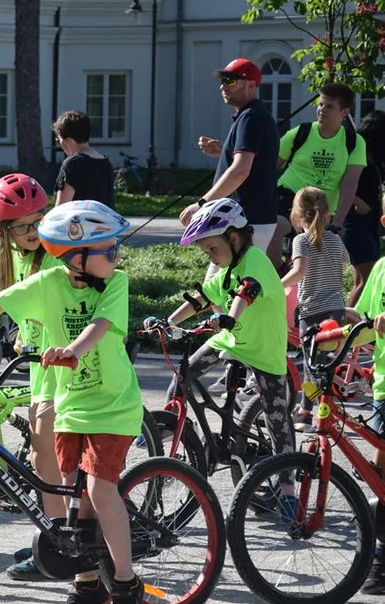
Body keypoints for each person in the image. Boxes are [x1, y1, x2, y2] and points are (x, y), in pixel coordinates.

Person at [0, 200, 144, 604]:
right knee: (77, 501)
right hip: (71, 406)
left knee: (100, 489)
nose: (116, 257)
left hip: (113, 404)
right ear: (76, 256)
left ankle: (127, 586)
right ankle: (89, 585)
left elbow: (101, 327)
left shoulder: (117, 283)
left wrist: (72, 351)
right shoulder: (48, 282)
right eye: (108, 251)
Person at [159, 199, 296, 504]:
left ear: (233, 237)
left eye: (212, 248)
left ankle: (288, 490)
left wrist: (230, 318)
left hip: (263, 346)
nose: (210, 256)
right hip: (230, 338)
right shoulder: (226, 268)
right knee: (184, 374)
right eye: (205, 251)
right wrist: (167, 322)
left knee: (276, 417)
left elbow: (246, 292)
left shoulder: (255, 260)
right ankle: (172, 430)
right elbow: (202, 299)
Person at [0, 172, 65, 581]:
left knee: (45, 453)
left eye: (39, 220)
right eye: (24, 226)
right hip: (39, 362)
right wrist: (23, 334)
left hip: (64, 364)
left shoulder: (54, 253)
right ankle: (58, 535)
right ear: (5, 230)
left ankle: (63, 539)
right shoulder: (13, 257)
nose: (35, 231)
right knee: (45, 454)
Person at [182, 58, 280, 266]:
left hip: (245, 220)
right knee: (226, 288)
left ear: (251, 85)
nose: (223, 86)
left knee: (221, 288)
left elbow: (240, 172)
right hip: (246, 218)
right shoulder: (252, 116)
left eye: (231, 81)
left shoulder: (251, 118)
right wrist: (223, 151)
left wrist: (201, 204)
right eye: (224, 81)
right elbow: (252, 164)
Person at [271, 83, 366, 263]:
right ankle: (274, 276)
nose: (322, 109)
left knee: (314, 259)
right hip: (289, 194)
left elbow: (349, 185)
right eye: (320, 104)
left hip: (322, 207)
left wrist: (338, 220)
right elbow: (269, 166)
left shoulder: (354, 141)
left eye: (329, 106)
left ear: (344, 112)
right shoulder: (301, 132)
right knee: (276, 227)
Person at [280, 187, 349, 431]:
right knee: (325, 364)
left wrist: (275, 286)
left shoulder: (301, 240)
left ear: (296, 215)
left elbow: (299, 272)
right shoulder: (336, 239)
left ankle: (306, 413)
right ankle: (324, 408)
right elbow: (342, 268)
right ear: (328, 213)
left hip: (312, 312)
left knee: (311, 365)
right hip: (336, 311)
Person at [351, 239, 385, 595]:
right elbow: (362, 321)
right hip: (384, 386)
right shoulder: (380, 269)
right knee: (380, 475)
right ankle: (381, 557)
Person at [347, 110, 385, 305]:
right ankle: (346, 325)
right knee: (367, 276)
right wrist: (355, 200)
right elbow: (340, 181)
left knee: (360, 280)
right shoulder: (356, 151)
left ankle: (353, 323)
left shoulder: (374, 157)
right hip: (355, 219)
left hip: (368, 221)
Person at [51, 110, 115, 209]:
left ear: (68, 140)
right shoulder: (105, 163)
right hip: (104, 223)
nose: (59, 144)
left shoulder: (72, 163)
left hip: (79, 223)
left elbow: (61, 208)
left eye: (58, 139)